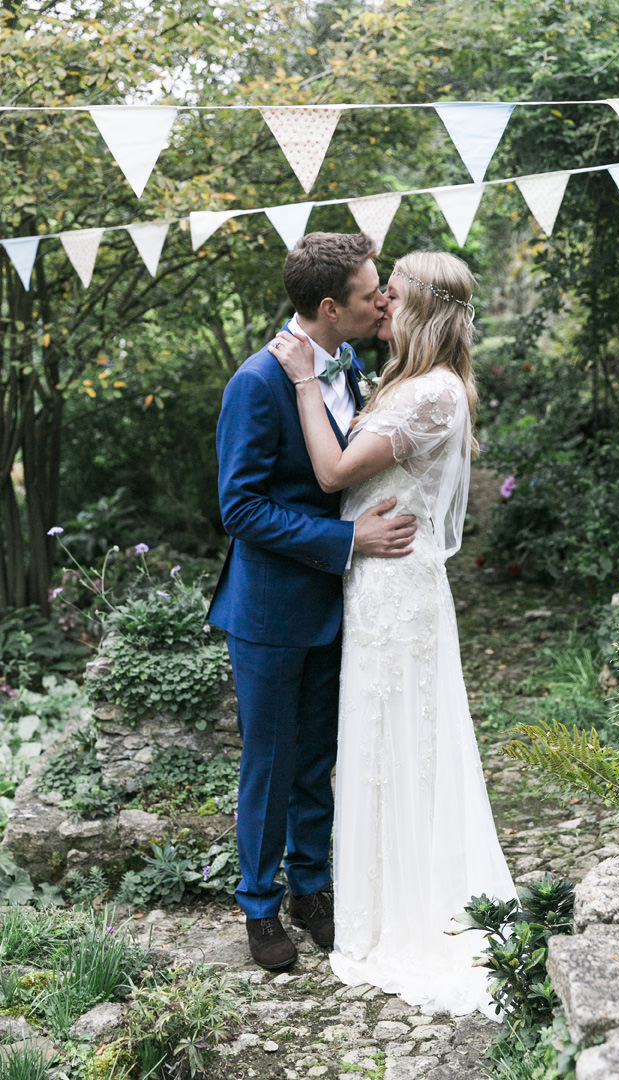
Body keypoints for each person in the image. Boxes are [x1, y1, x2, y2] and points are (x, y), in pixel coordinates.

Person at [269, 250, 517, 1018]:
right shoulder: (405, 383)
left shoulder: (434, 393)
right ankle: (380, 900)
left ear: (421, 310)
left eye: (392, 297)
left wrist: (306, 378)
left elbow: (338, 472)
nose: (381, 307)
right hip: (372, 584)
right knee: (375, 747)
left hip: (397, 589)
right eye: (378, 296)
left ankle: (415, 909)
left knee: (404, 746)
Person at [208, 232, 417, 972]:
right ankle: (259, 907)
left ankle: (313, 889)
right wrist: (348, 542)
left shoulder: (352, 364)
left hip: (338, 605)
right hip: (268, 611)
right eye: (370, 295)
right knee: (269, 761)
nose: (383, 301)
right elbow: (240, 508)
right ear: (330, 308)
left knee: (316, 760)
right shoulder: (257, 382)